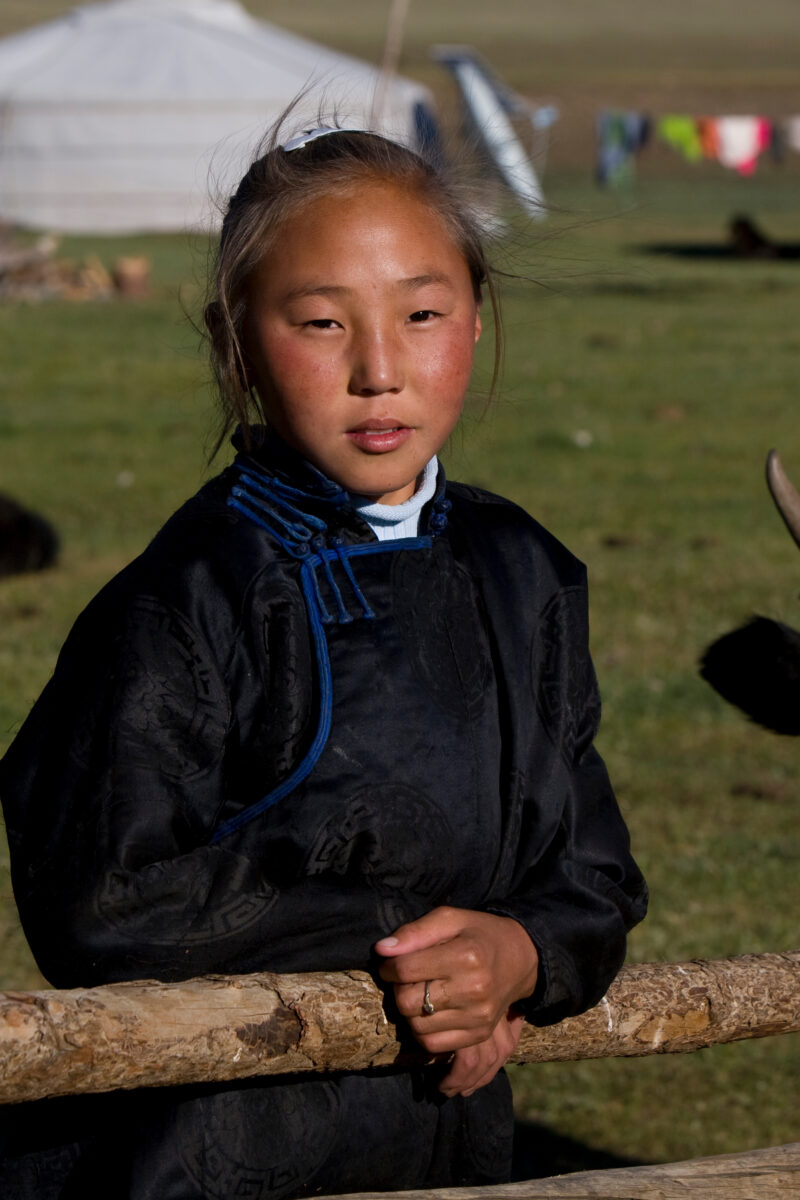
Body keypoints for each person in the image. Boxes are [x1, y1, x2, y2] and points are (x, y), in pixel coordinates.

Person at [0, 123, 647, 1199]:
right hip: (199, 1156)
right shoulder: (184, 603)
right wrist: (400, 946)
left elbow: (590, 872)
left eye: (421, 314)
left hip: (443, 1145)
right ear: (238, 341)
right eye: (318, 323)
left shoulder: (524, 574)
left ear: (476, 321)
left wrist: (519, 959)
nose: (378, 370)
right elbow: (100, 905)